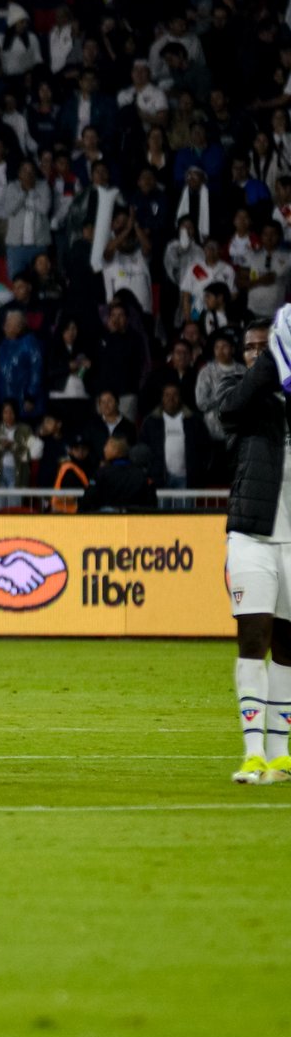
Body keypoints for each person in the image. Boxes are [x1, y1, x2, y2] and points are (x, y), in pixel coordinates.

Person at [228, 314, 291, 782]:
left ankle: (281, 753)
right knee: (254, 637)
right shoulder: (246, 390)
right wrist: (270, 362)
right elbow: (229, 412)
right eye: (251, 347)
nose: (256, 352)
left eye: (264, 345)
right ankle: (253, 753)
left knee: (289, 647)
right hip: (252, 533)